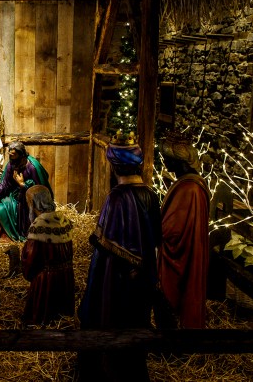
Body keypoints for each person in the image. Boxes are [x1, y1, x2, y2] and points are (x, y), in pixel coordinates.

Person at [77, 132, 162, 382]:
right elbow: (156, 238)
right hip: (143, 275)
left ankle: (106, 372)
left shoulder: (115, 198)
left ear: (114, 165)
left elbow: (103, 244)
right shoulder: (151, 195)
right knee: (135, 322)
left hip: (114, 278)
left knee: (110, 320)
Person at [157, 132, 211, 329]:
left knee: (175, 298)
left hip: (182, 257)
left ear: (178, 160)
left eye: (167, 159)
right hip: (190, 251)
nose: (165, 163)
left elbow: (173, 231)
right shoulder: (191, 183)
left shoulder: (189, 189)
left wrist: (154, 229)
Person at [21, 185, 75, 325]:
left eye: (29, 203)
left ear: (33, 203)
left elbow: (31, 258)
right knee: (61, 317)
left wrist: (25, 264)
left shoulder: (39, 226)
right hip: (65, 277)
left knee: (41, 319)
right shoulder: (62, 219)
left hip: (47, 281)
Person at [0, 141, 51, 242]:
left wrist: (23, 185)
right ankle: (4, 236)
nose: (11, 158)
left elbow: (40, 191)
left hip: (30, 204)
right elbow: (5, 184)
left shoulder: (33, 167)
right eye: (9, 155)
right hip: (14, 199)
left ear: (21, 154)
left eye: (13, 155)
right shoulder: (11, 165)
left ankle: (19, 236)